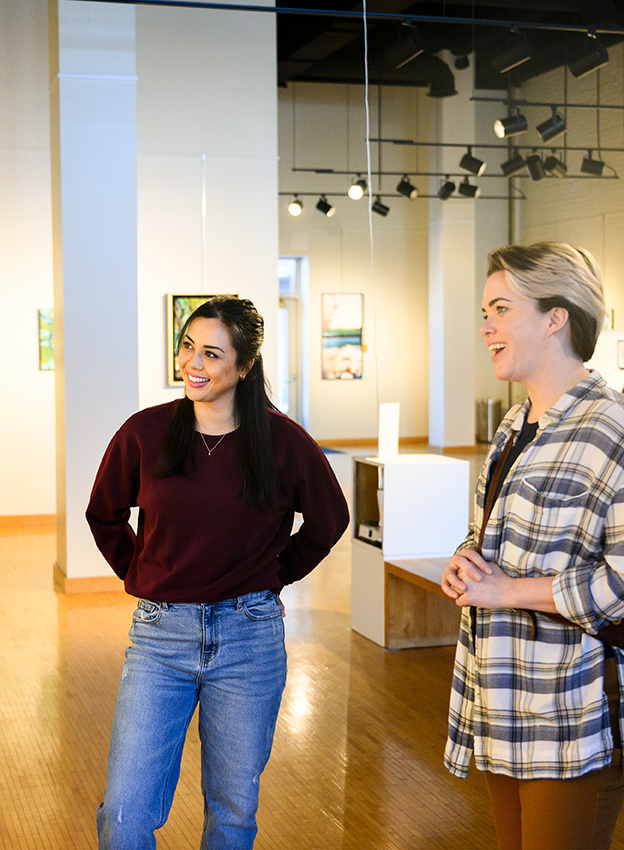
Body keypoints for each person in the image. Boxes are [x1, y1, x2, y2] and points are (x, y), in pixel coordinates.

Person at [86, 296, 349, 849]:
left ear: (245, 366)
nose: (194, 364)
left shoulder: (282, 441)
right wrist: (145, 572)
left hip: (249, 639)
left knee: (232, 814)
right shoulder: (144, 432)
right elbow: (104, 513)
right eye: (188, 347)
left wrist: (273, 575)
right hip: (161, 638)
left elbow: (330, 518)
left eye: (211, 353)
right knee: (123, 813)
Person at [441, 242, 624, 849]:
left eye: (501, 308)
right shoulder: (513, 426)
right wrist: (466, 562)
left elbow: (621, 583)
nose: (486, 326)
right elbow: (495, 537)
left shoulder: (610, 431)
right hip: (502, 701)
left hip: (571, 715)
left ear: (556, 316)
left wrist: (506, 590)